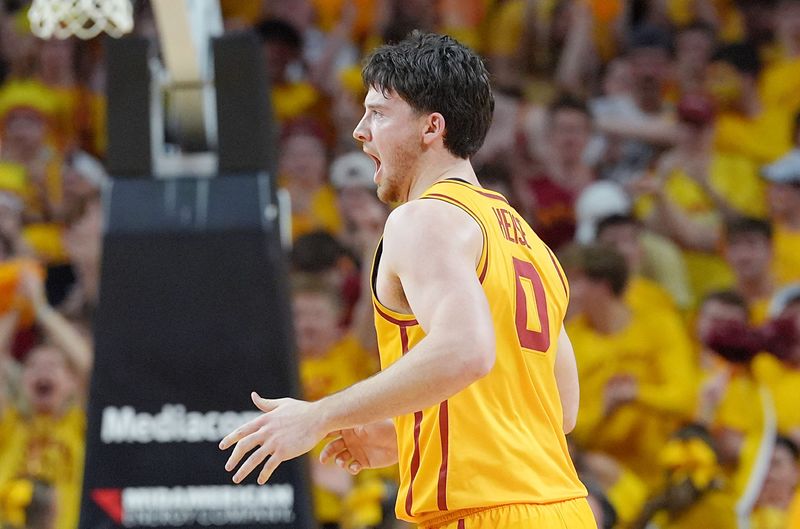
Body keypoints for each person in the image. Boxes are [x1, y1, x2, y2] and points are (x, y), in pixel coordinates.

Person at [220, 31, 596, 529]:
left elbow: (466, 351)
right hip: (563, 510)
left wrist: (321, 416)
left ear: (431, 127)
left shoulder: (423, 219)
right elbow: (560, 408)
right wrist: (407, 426)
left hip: (478, 514)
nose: (359, 130)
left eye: (378, 112)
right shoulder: (526, 239)